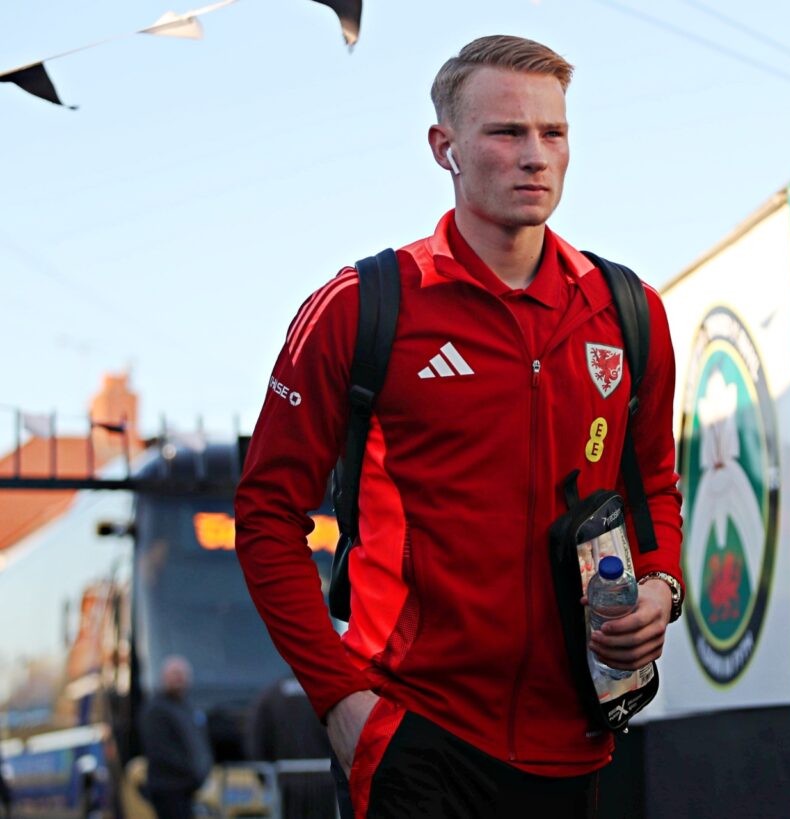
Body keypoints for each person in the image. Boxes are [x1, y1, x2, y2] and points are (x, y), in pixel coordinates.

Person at [235, 34, 684, 819]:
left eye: (554, 133)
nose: (535, 156)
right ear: (444, 147)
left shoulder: (630, 313)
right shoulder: (361, 306)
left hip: (572, 739)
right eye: (506, 133)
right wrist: (343, 701)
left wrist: (661, 586)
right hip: (413, 735)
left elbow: (653, 488)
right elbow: (266, 514)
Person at [247, 675, 336, 819]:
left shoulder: (270, 696)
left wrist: (267, 779)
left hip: (284, 790)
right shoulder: (329, 692)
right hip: (327, 790)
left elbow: (256, 745)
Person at [139, 656, 214, 819]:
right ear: (163, 677)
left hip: (185, 789)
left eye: (182, 674)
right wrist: (192, 771)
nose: (179, 678)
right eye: (175, 674)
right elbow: (161, 751)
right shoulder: (156, 709)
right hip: (169, 788)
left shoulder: (185, 706)